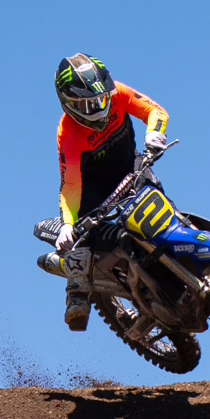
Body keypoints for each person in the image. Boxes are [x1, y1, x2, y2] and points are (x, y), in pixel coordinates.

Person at [52, 54, 170, 331]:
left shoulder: (119, 93)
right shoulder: (68, 133)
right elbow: (70, 184)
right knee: (81, 237)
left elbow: (156, 111)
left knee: (166, 212)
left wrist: (155, 134)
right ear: (70, 104)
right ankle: (77, 295)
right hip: (95, 188)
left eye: (101, 99)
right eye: (88, 104)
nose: (98, 108)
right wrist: (68, 224)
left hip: (131, 167)